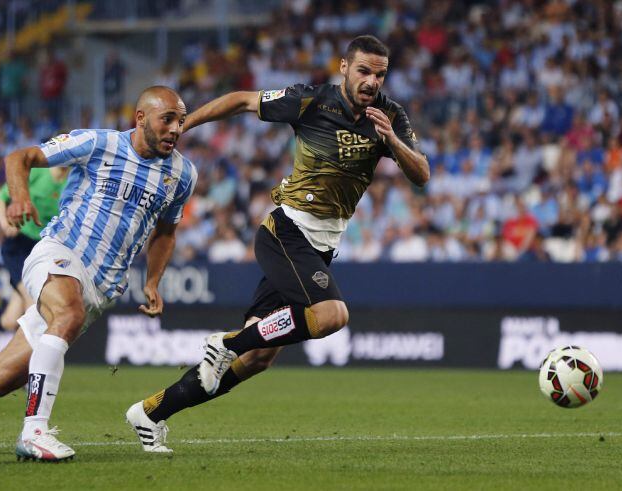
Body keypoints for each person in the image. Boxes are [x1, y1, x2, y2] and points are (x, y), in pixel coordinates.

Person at [126, 35, 429, 453]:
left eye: (379, 74)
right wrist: (187, 123)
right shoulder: (311, 102)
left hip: (320, 247)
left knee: (257, 359)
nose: (371, 81)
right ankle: (226, 343)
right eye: (363, 71)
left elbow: (422, 174)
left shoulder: (389, 115)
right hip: (286, 232)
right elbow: (242, 101)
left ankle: (151, 412)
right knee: (332, 315)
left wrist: (392, 142)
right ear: (344, 67)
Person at [0, 86, 197, 462]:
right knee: (68, 314)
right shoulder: (97, 143)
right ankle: (35, 432)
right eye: (168, 119)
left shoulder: (183, 174)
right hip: (59, 253)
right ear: (140, 118)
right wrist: (20, 197)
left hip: (101, 287)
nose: (176, 128)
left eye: (182, 121)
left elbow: (166, 232)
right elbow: (20, 156)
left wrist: (153, 281)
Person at [0, 166, 68, 330]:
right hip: (18, 246)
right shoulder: (37, 172)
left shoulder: (74, 179)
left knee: (9, 321)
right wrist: (5, 225)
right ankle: (34, 354)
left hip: (43, 248)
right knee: (33, 303)